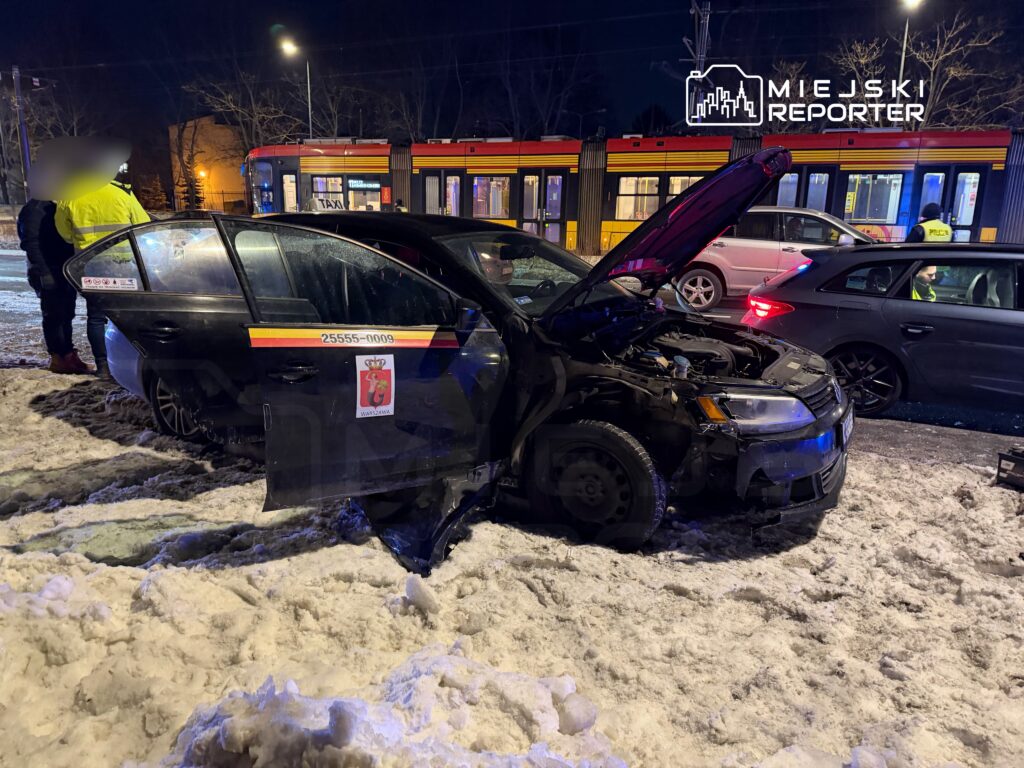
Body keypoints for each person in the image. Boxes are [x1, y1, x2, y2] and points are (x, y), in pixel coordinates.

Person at [55, 179, 150, 377]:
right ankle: (130, 364)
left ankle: (104, 366)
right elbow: (143, 225)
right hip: (124, 265)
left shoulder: (69, 195)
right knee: (127, 316)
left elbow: (64, 234)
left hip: (91, 265)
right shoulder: (122, 192)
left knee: (96, 317)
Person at [17, 199, 90, 374]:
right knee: (54, 315)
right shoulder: (35, 209)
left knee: (67, 313)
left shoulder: (61, 204)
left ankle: (68, 353)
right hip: (46, 269)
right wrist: (43, 273)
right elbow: (31, 243)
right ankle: (57, 357)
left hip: (64, 268)